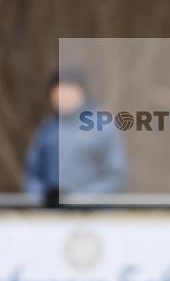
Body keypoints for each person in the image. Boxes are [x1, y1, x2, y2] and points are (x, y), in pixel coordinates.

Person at [24, 69, 127, 206]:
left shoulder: (104, 127)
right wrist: (43, 197)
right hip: (51, 219)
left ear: (82, 93)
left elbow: (115, 177)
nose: (62, 97)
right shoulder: (47, 130)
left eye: (68, 91)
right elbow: (32, 175)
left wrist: (79, 200)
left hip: (95, 217)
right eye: (58, 92)